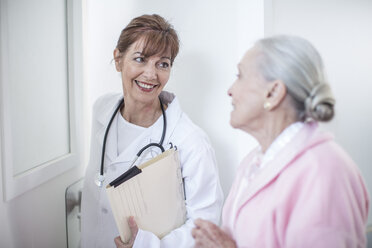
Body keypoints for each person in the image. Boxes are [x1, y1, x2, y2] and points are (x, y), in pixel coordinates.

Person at [192, 35, 369, 247]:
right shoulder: (253, 163)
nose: (230, 90)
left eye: (239, 76)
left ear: (273, 92)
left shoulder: (325, 171)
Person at [81, 14, 223, 248]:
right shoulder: (102, 110)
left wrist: (148, 245)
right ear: (118, 59)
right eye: (140, 59)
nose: (151, 74)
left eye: (163, 64)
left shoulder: (190, 142)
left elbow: (205, 228)